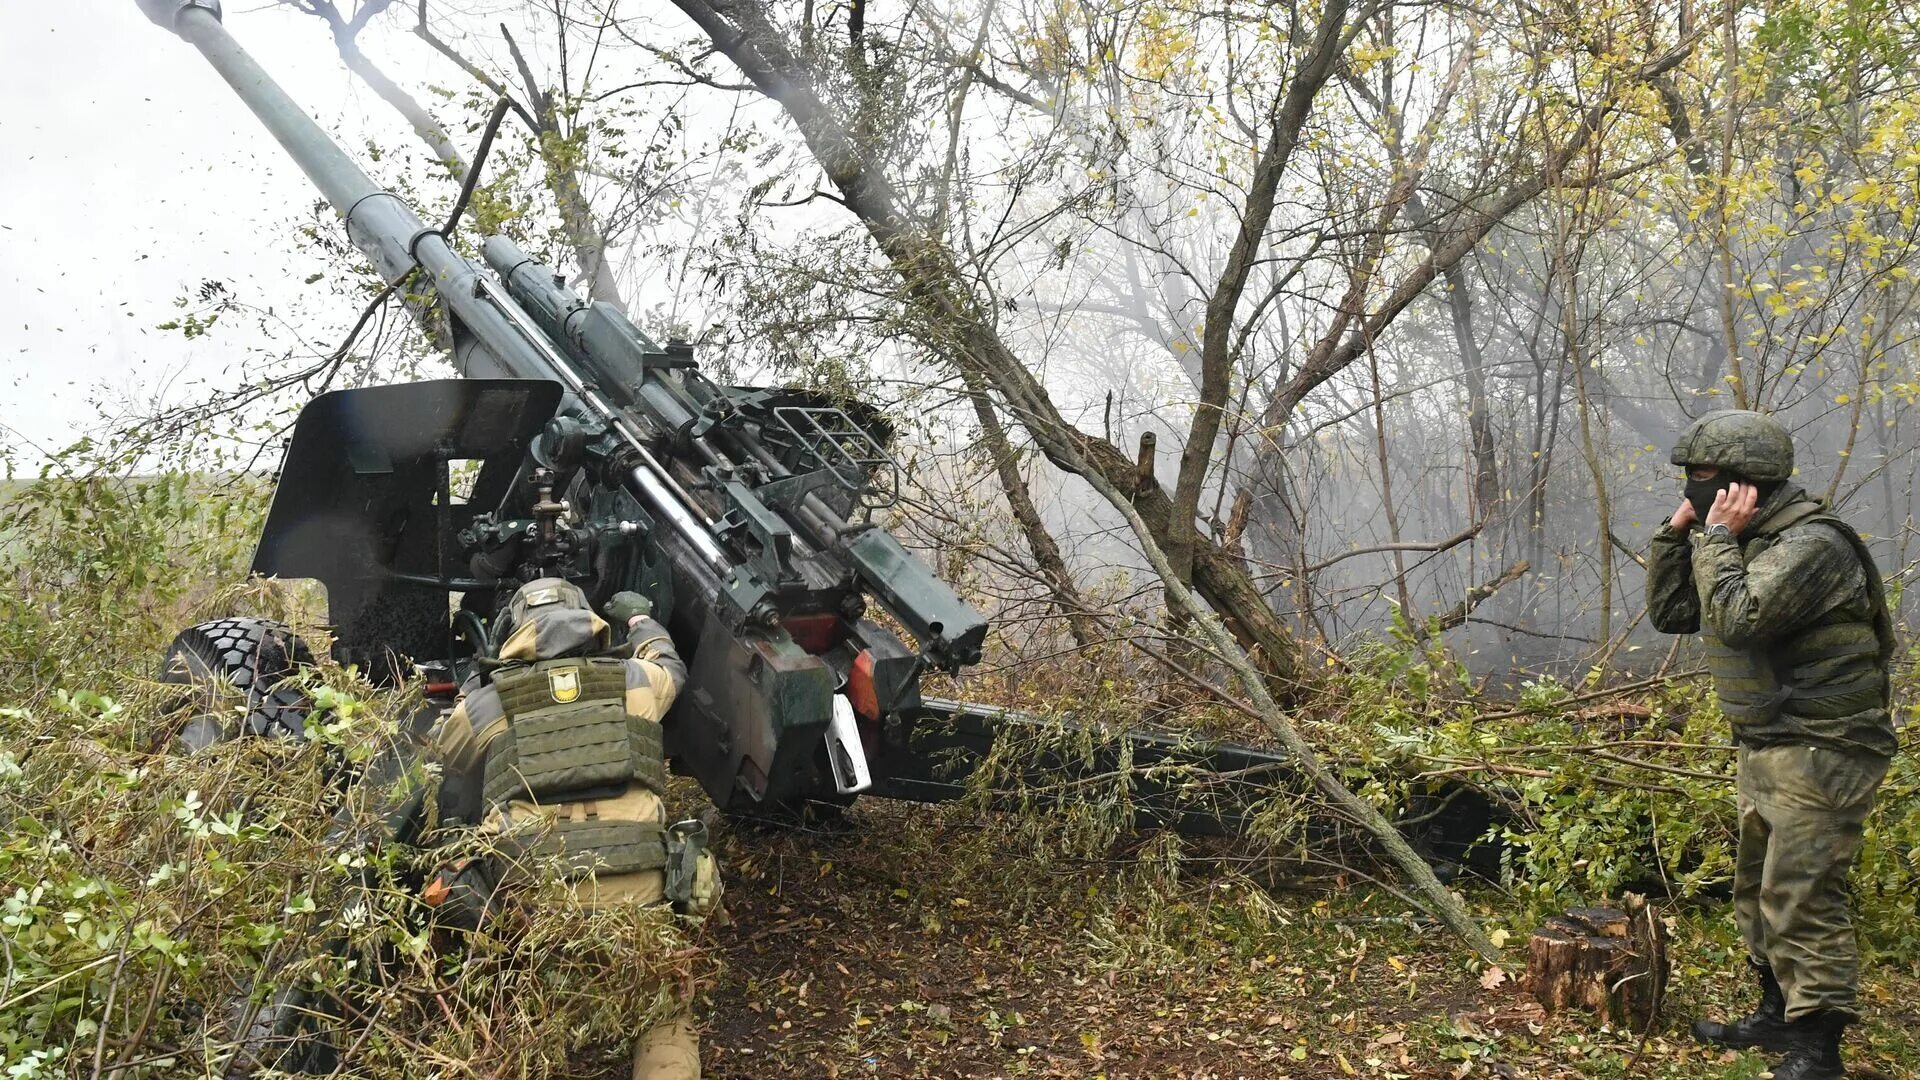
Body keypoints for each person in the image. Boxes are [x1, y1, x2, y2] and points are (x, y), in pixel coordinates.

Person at [1646, 409, 1897, 1080]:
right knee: (1757, 890)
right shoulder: (1743, 538)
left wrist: (1716, 538)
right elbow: (1675, 613)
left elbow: (1739, 619)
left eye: (1702, 478)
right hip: (1770, 742)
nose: (1693, 489)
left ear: (1745, 482)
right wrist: (1680, 535)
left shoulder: (1812, 544)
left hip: (1824, 745)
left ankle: (1818, 1049)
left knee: (1803, 895)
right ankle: (1778, 1014)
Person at [427, 578, 719, 1080]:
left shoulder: (489, 703)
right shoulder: (634, 681)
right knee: (663, 1018)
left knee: (518, 997)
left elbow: (442, 756)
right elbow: (672, 667)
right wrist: (640, 622)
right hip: (639, 905)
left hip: (537, 916)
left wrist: (478, 694)